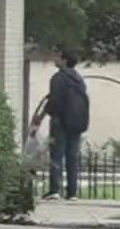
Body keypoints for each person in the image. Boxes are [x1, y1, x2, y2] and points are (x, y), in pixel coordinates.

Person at [33, 47, 90, 200]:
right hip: (77, 122)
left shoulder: (58, 78)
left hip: (60, 122)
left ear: (65, 60)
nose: (55, 59)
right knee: (72, 157)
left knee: (56, 156)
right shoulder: (79, 79)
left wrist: (42, 116)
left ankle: (54, 190)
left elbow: (54, 101)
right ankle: (72, 192)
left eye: (58, 57)